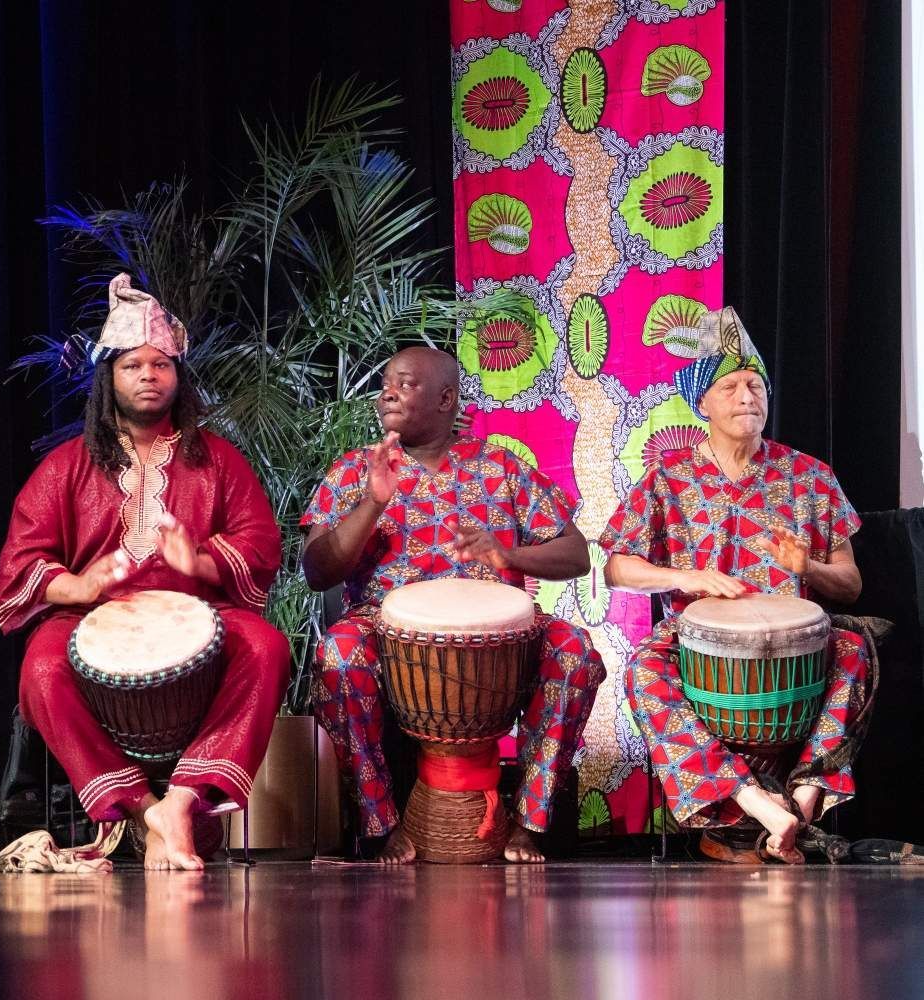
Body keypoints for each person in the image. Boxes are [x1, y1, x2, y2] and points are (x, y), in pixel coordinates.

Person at [0, 274, 289, 871]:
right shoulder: (66, 466)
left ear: (178, 376)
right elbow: (21, 559)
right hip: (90, 618)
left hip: (202, 613)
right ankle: (140, 807)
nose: (149, 376)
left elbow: (259, 540)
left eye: (161, 364)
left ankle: (181, 800)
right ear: (111, 379)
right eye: (133, 366)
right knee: (42, 667)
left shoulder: (219, 460)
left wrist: (203, 561)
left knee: (265, 646)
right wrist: (77, 586)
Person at [301, 345, 605, 864]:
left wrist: (508, 552)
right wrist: (375, 500)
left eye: (406, 383)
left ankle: (529, 822)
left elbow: (576, 554)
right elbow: (316, 570)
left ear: (446, 398)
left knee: (575, 652)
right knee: (339, 655)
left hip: (500, 634)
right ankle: (380, 824)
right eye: (387, 383)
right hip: (386, 628)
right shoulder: (355, 469)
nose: (388, 391)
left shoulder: (501, 467)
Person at [600, 306, 868, 864]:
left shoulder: (810, 476)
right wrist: (685, 576)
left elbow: (851, 584)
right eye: (731, 386)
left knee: (856, 649)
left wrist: (809, 569)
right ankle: (755, 802)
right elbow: (618, 568)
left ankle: (803, 799)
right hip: (698, 642)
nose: (747, 396)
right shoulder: (668, 477)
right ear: (703, 404)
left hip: (802, 644)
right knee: (643, 669)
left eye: (755, 385)